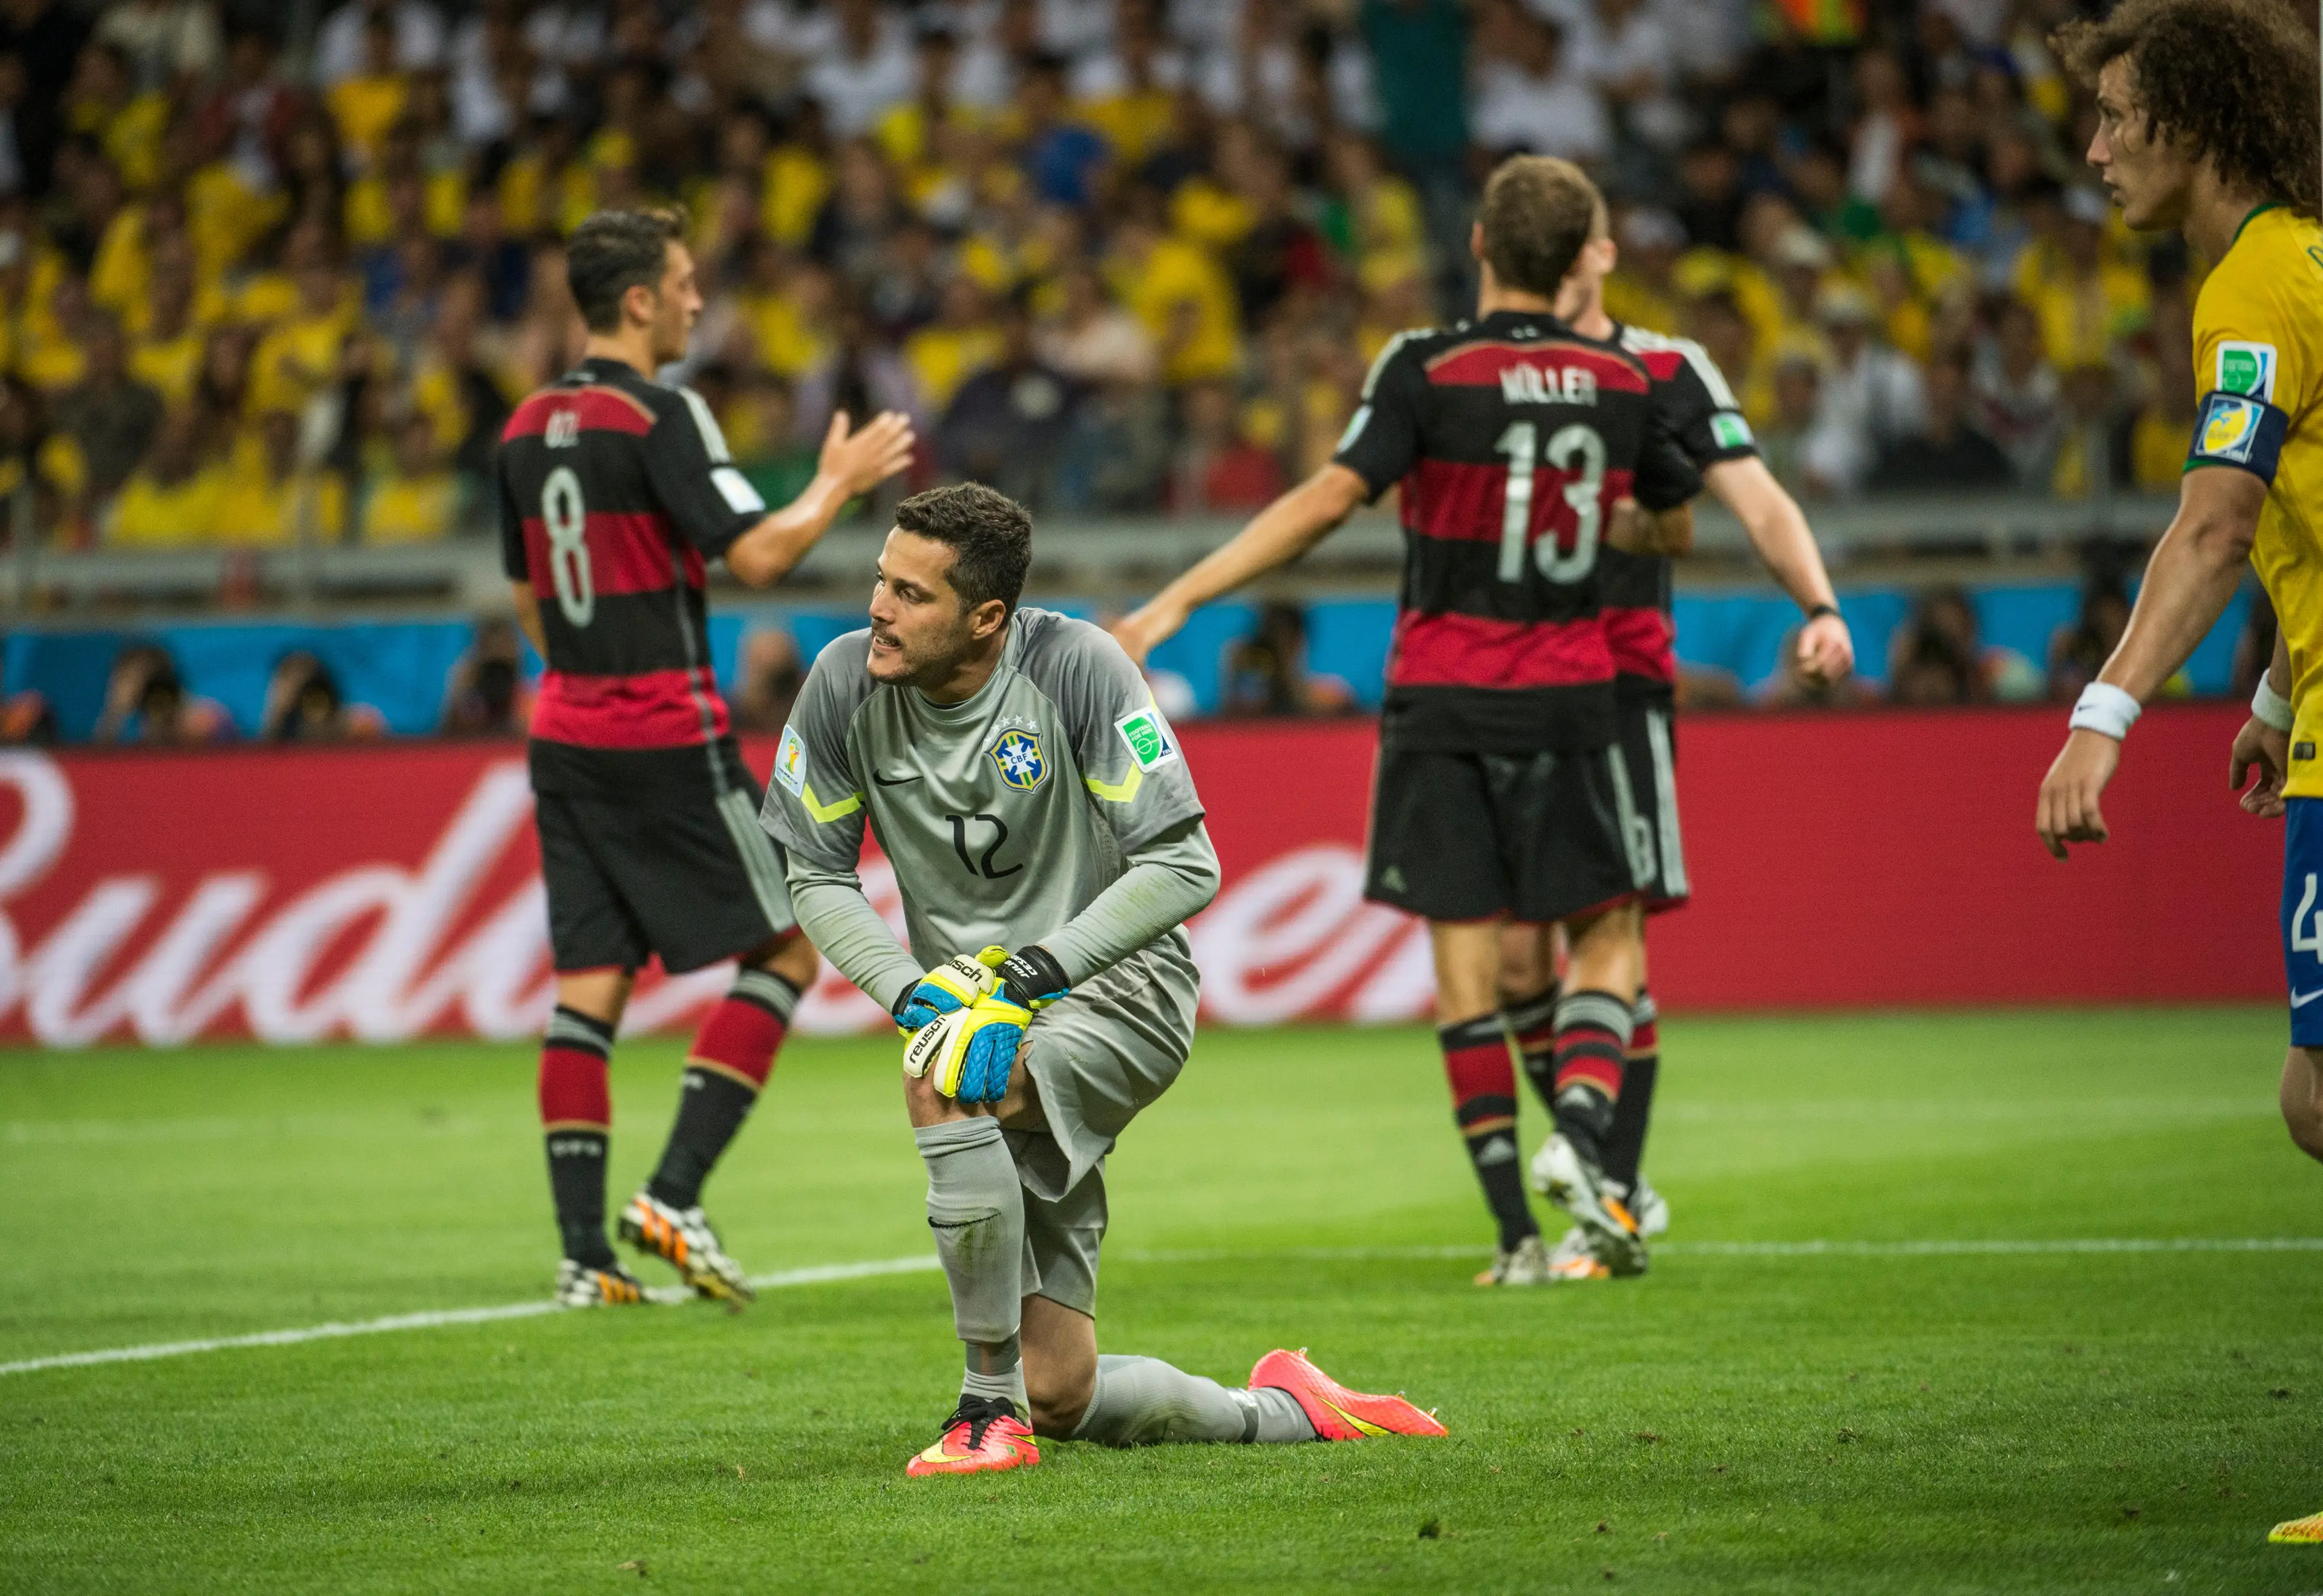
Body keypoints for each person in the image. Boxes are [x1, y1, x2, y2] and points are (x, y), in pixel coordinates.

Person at [762, 482, 1446, 1477]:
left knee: (948, 1072)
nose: (878, 607)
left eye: (913, 594)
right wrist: (912, 992)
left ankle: (981, 1412)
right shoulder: (843, 683)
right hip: (971, 1001)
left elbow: (1183, 864)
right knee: (1066, 1390)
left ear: (986, 618)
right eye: (881, 580)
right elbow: (815, 871)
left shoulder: (1078, 667)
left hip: (1119, 989)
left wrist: (1032, 976)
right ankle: (1291, 1409)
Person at [1112, 156, 1701, 1286]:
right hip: (1574, 692)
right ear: (1580, 255)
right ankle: (1582, 1144)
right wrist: (1578, 523)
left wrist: (1181, 596)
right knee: (1604, 934)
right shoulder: (1622, 378)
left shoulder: (1427, 369)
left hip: (1441, 694)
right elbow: (1669, 526)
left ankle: (1516, 1239)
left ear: (1479, 245)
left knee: (1468, 969)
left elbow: (1332, 498)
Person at [494, 205, 915, 1309]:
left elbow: (527, 596)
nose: (695, 300)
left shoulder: (523, 428)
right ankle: (674, 1191)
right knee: (786, 949)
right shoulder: (661, 416)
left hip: (565, 735)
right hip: (666, 736)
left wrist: (584, 673)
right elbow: (764, 553)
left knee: (589, 990)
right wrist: (839, 481)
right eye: (683, 283)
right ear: (637, 300)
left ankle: (584, 1257)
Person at [2023, 5, 2323, 1546]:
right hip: (2322, 708)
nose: (2097, 148)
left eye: (2121, 115)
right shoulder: (2298, 262)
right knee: (2315, 1097)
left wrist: (2105, 711)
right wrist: (2275, 682)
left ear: (2198, 118)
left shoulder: (2258, 280)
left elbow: (2217, 524)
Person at [1489, 181, 1857, 1284]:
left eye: (1581, 244)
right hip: (1499, 695)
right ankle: (1608, 1179)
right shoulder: (1483, 372)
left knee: (1607, 929)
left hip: (1614, 683)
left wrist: (1820, 604)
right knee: (1516, 964)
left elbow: (1712, 512)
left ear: (1602, 251)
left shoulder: (1665, 369)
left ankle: (1607, 1184)